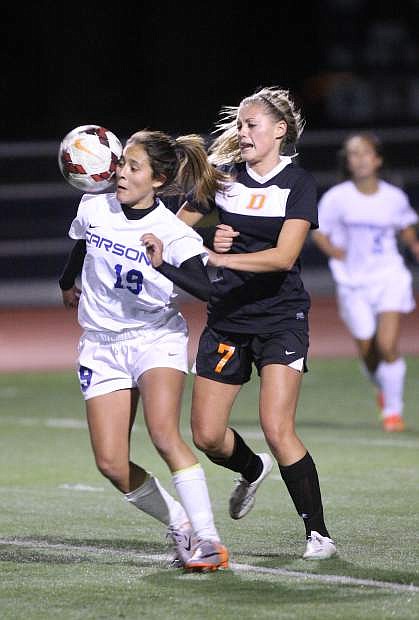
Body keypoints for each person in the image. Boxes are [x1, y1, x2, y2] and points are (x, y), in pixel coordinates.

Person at [142, 87, 337, 560]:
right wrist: (208, 237)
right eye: (241, 125)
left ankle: (318, 535)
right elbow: (174, 228)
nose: (243, 132)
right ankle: (252, 470)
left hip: (280, 319)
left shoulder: (299, 183)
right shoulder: (223, 178)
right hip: (228, 318)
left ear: (279, 131)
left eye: (252, 125)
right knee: (207, 436)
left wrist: (215, 256)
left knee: (277, 425)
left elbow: (284, 256)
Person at [59, 129, 229, 572]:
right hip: (100, 345)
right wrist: (66, 281)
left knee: (163, 435)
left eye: (135, 167)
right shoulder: (94, 205)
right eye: (122, 164)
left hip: (155, 338)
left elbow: (208, 291)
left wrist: (162, 264)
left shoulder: (173, 234)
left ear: (158, 179)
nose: (121, 173)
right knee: (112, 464)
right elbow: (83, 242)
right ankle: (180, 524)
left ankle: (209, 539)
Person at [312, 132, 419, 432]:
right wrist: (334, 250)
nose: (359, 159)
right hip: (353, 282)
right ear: (347, 162)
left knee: (387, 345)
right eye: (353, 154)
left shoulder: (393, 196)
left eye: (365, 153)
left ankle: (393, 412)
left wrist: (413, 244)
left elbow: (406, 225)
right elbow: (318, 232)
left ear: (377, 159)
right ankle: (381, 386)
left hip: (389, 276)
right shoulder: (337, 197)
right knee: (367, 347)